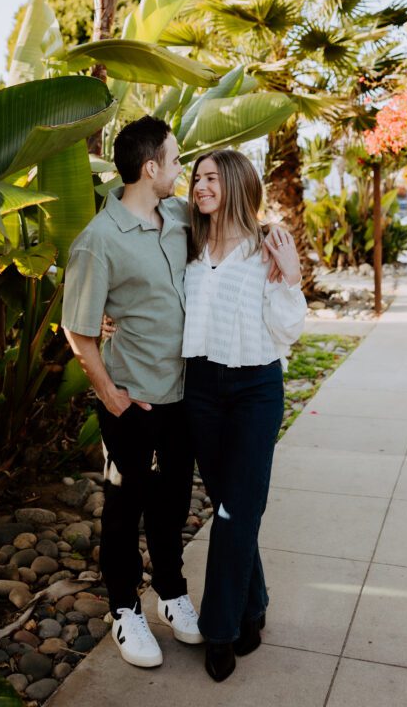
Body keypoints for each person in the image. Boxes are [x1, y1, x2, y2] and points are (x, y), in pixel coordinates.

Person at [62, 116, 290, 671]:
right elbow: (77, 329)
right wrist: (112, 397)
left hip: (188, 395)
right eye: (174, 159)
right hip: (133, 400)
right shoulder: (98, 240)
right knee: (124, 507)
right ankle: (123, 607)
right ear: (151, 167)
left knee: (171, 505)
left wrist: (278, 248)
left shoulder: (180, 217)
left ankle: (170, 593)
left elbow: (235, 224)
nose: (183, 171)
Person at [182, 149, 306, 682]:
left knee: (236, 512)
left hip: (255, 387)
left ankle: (221, 630)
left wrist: (293, 278)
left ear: (234, 182)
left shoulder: (267, 246)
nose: (199, 186)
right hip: (202, 388)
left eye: (210, 177)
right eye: (195, 178)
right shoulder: (186, 245)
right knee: (230, 506)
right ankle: (253, 605)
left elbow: (286, 331)